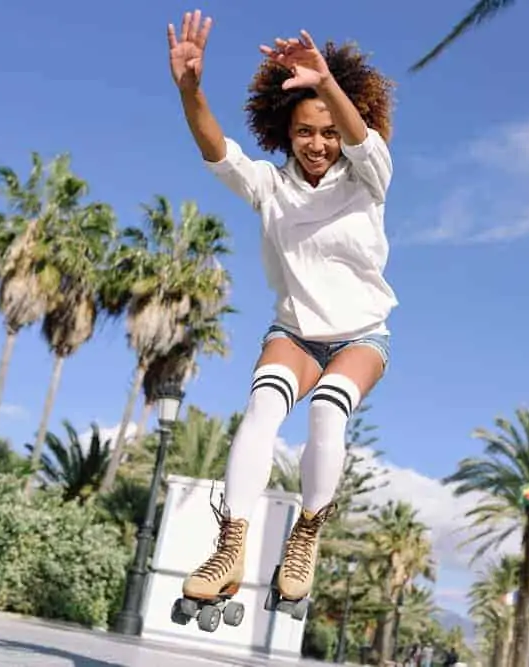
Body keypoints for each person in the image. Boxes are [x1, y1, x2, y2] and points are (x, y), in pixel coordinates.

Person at [167, 9, 397, 605]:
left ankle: (307, 532)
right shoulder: (271, 186)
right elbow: (217, 150)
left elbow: (359, 138)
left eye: (326, 131)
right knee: (261, 409)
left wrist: (325, 84)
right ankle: (230, 547)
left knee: (327, 413)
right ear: (284, 133)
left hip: (360, 337)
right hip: (294, 332)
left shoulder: (367, 176)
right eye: (303, 132)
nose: (317, 143)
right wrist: (191, 90)